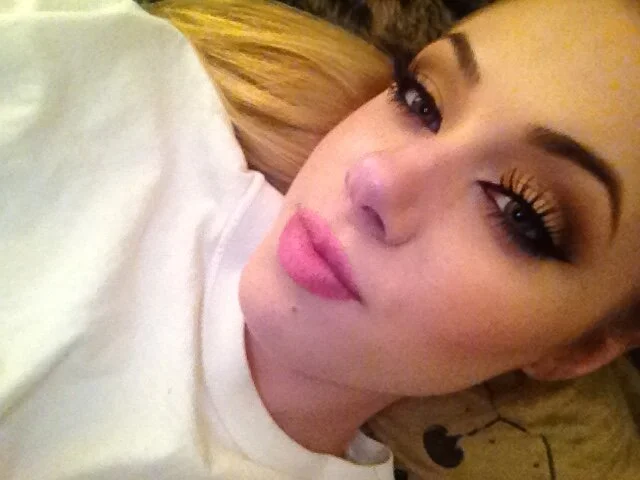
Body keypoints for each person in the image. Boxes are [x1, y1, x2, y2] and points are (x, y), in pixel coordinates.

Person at [0, 0, 638, 478]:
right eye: (420, 100)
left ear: (578, 350)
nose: (376, 177)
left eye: (522, 212)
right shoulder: (102, 83)